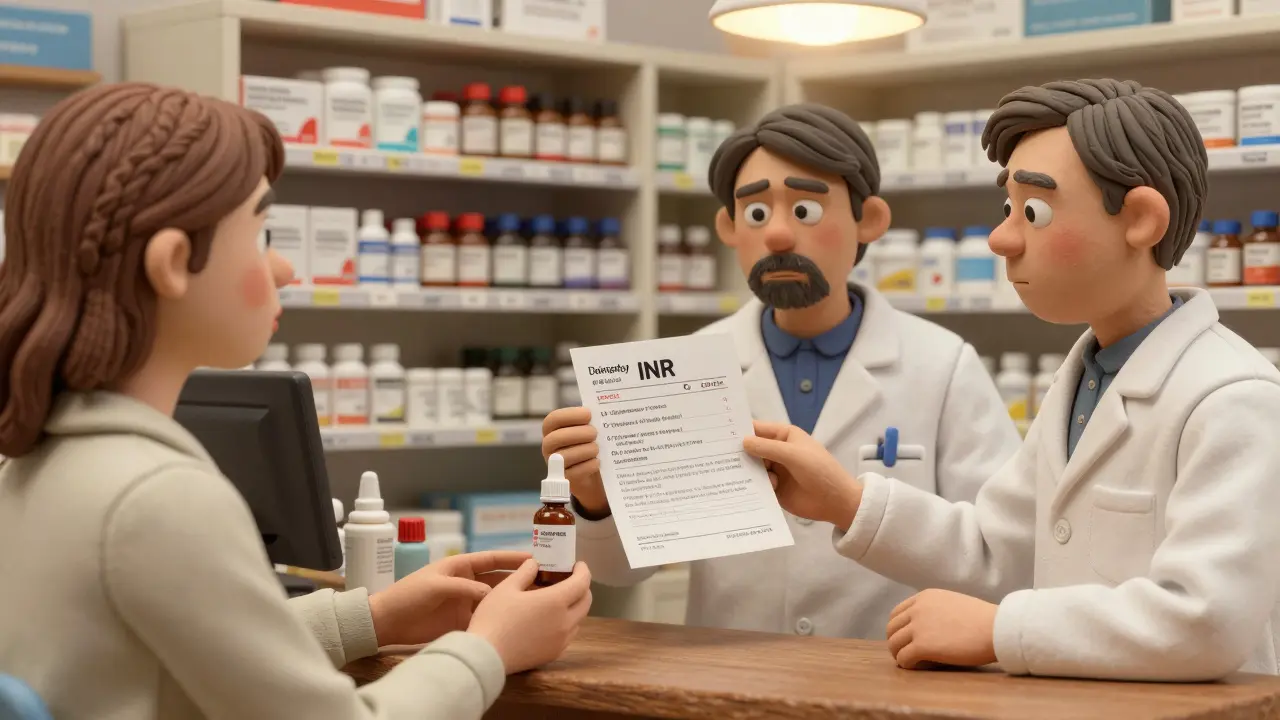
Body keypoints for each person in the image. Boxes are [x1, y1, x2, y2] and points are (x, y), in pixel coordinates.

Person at [0, 83, 592, 719]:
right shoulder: (158, 499)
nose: (285, 269)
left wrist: (372, 615)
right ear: (172, 263)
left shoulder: (39, 465)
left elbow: (185, 644)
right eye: (261, 233)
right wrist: (489, 650)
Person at [742, 79, 1280, 682]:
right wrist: (846, 500)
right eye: (1008, 209)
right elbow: (996, 547)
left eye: (1035, 211)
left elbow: (1205, 620)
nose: (1001, 237)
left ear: (1140, 220)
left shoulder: (1233, 398)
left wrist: (1000, 631)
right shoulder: (1087, 378)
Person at [542, 103, 1021, 640]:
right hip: (731, 678)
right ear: (728, 227)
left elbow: (997, 551)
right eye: (755, 214)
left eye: (805, 211)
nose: (776, 236)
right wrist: (595, 500)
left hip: (882, 676)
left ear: (869, 220)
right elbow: (622, 571)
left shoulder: (943, 364)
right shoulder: (685, 366)